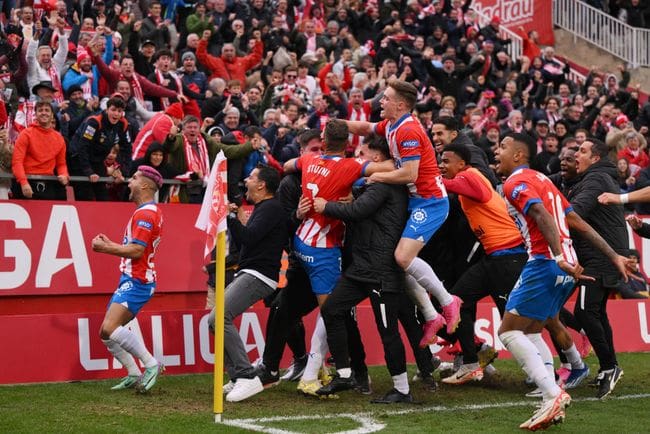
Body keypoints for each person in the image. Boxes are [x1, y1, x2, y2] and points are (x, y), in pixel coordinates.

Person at [494, 133, 631, 430]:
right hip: (566, 267)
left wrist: (557, 257)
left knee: (507, 332)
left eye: (503, 147)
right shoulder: (544, 181)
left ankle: (553, 394)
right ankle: (551, 390)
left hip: (547, 263)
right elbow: (578, 223)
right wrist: (613, 256)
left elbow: (541, 215)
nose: (496, 152)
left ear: (518, 155)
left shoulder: (514, 182)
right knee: (531, 330)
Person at [345, 79, 462, 347]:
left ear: (399, 104)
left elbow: (410, 173)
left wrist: (375, 179)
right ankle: (432, 315)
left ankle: (447, 301)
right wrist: (338, 126)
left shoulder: (408, 130)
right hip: (415, 201)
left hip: (430, 202)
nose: (380, 102)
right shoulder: (392, 124)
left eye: (385, 98)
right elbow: (365, 127)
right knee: (396, 260)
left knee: (402, 257)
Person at [312, 136, 427, 403]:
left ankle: (402, 389)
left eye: (363, 153)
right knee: (332, 309)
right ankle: (344, 373)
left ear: (375, 157)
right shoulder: (377, 183)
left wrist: (326, 206)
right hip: (362, 267)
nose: (359, 159)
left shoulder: (385, 184)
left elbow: (358, 210)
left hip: (382, 270)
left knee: (388, 331)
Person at [436, 144, 527, 385]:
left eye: (446, 162)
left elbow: (447, 186)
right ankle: (470, 364)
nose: (442, 166)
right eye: (440, 161)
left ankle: (557, 366)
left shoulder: (470, 176)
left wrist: (424, 175)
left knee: (517, 322)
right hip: (494, 257)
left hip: (509, 257)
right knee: (457, 302)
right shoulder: (469, 178)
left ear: (461, 164)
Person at [207, 164, 287, 402]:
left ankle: (246, 376)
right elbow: (247, 241)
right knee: (215, 321)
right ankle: (237, 377)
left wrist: (230, 217)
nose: (246, 180)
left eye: (251, 177)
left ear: (262, 185)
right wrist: (232, 217)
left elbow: (248, 238)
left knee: (218, 317)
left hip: (258, 275)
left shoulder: (271, 208)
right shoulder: (264, 208)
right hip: (251, 272)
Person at [93, 166, 164, 393]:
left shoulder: (146, 214)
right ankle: (134, 373)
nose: (129, 182)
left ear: (144, 185)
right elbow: (134, 248)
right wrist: (111, 244)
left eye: (134, 178)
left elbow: (136, 251)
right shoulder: (147, 211)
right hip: (131, 279)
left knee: (110, 328)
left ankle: (151, 364)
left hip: (138, 281)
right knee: (106, 332)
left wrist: (105, 249)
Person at [567, 138, 628, 398]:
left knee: (584, 310)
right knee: (596, 312)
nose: (575, 154)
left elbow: (575, 213)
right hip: (604, 254)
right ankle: (609, 367)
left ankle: (609, 366)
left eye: (582, 151)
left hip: (600, 257)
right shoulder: (597, 178)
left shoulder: (595, 180)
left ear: (595, 158)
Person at [67, 96, 132, 201]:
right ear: (106, 110)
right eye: (113, 110)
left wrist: (124, 172)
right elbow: (83, 147)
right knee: (85, 197)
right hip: (77, 159)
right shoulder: (94, 122)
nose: (116, 114)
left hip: (97, 160)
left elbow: (127, 148)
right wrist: (89, 171)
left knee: (103, 197)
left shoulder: (123, 124)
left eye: (119, 111)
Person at [11, 101, 69, 200]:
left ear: (52, 115)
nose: (43, 113)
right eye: (40, 110)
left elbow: (61, 164)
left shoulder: (59, 138)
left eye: (47, 110)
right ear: (36, 114)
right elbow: (17, 162)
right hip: (27, 181)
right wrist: (24, 183)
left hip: (49, 182)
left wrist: (64, 175)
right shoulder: (26, 134)